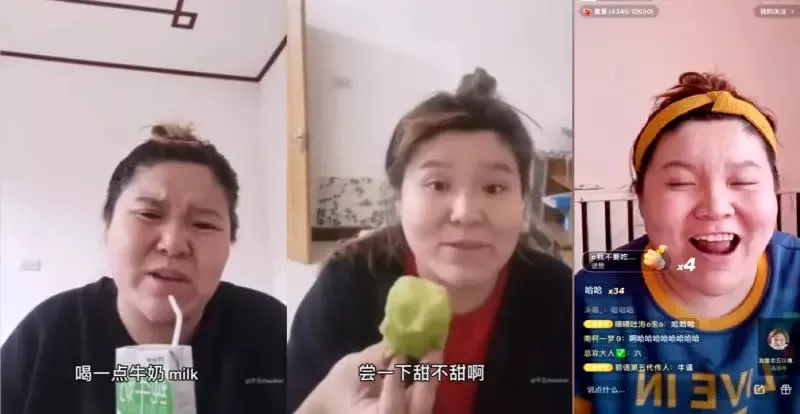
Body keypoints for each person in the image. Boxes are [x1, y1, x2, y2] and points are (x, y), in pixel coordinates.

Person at [288, 68, 573, 414]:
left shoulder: (561, 298)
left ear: (523, 202)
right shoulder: (347, 286)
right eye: (437, 184)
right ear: (399, 200)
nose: (466, 213)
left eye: (493, 187)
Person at [1, 124, 287, 413]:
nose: (173, 244)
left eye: (203, 224)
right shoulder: (46, 336)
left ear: (231, 240)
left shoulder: (273, 330)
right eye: (148, 214)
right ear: (108, 225)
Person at [574, 72, 800, 413]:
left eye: (743, 181)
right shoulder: (591, 301)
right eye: (680, 182)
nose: (716, 207)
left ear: (775, 192)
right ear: (641, 199)